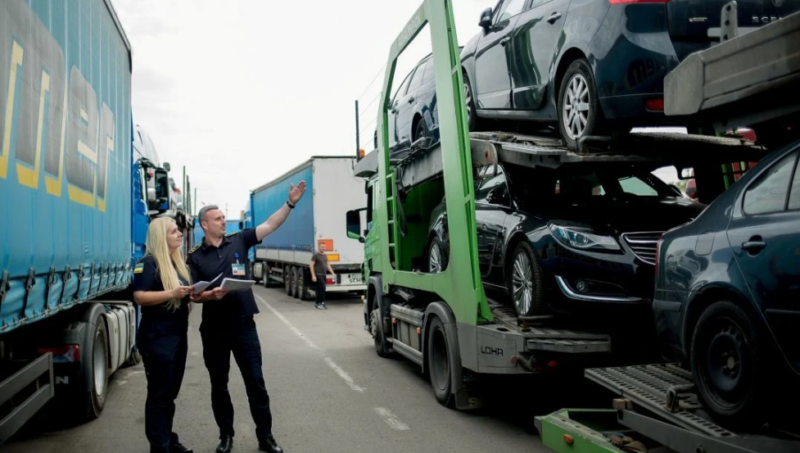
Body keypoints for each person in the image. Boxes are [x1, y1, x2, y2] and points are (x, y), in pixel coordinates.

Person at [188, 181, 306, 453]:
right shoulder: (195, 257)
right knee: (219, 385)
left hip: (243, 325)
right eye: (217, 219)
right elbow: (191, 294)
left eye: (222, 218)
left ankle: (266, 437)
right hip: (214, 329)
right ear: (204, 224)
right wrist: (208, 296)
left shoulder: (240, 239)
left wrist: (290, 203)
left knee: (256, 382)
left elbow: (271, 225)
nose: (222, 222)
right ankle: (226, 436)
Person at [133, 217, 195, 453]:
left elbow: (184, 295)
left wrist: (203, 294)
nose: (179, 234)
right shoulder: (148, 264)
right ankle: (159, 447)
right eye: (173, 232)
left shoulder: (176, 264)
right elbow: (140, 296)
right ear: (161, 237)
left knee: (169, 394)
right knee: (159, 395)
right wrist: (172, 293)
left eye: (179, 231)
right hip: (157, 339)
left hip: (177, 338)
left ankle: (168, 439)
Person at [309, 242, 336, 310]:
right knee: (323, 288)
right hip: (318, 274)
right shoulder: (315, 255)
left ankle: (317, 303)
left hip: (324, 274)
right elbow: (311, 265)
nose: (323, 248)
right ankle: (321, 303)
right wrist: (313, 275)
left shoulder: (325, 255)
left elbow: (327, 265)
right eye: (322, 247)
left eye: (324, 247)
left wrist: (332, 273)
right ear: (319, 247)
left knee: (319, 289)